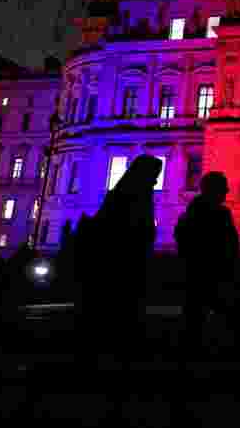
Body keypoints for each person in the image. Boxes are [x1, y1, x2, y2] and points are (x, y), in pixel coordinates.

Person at [74, 154, 161, 367]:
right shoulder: (133, 198)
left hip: (125, 262)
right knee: (121, 310)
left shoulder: (124, 195)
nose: (156, 181)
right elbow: (129, 231)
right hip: (122, 264)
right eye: (153, 176)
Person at [174, 171, 240, 369]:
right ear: (215, 190)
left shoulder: (191, 212)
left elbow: (182, 240)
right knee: (233, 317)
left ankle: (190, 356)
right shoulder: (219, 213)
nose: (227, 191)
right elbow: (229, 244)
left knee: (195, 318)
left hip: (198, 273)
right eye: (223, 187)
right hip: (216, 274)